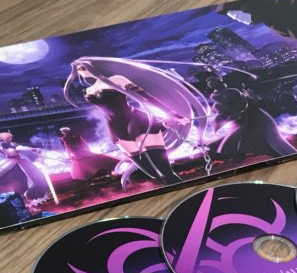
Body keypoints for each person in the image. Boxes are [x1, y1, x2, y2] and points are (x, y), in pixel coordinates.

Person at [64, 57, 210, 188]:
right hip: (115, 128)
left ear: (93, 67)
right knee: (153, 173)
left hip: (136, 120)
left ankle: (187, 190)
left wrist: (173, 114)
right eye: (78, 70)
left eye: (82, 68)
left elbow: (145, 96)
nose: (80, 72)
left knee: (165, 171)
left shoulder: (116, 79)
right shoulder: (89, 90)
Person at [0, 132, 55, 203]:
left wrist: (32, 149)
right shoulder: (4, 145)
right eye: (8, 137)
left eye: (10, 137)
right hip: (11, 161)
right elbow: (18, 148)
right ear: (4, 138)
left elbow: (20, 147)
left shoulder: (12, 143)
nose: (10, 139)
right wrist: (31, 149)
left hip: (20, 161)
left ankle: (33, 192)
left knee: (35, 175)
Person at [57, 126, 121, 181]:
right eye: (63, 131)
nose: (63, 132)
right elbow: (71, 146)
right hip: (79, 152)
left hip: (80, 152)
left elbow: (70, 147)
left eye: (64, 131)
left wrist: (70, 155)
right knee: (84, 162)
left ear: (66, 131)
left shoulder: (69, 137)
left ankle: (95, 172)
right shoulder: (68, 137)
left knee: (86, 162)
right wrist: (87, 149)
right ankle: (93, 173)